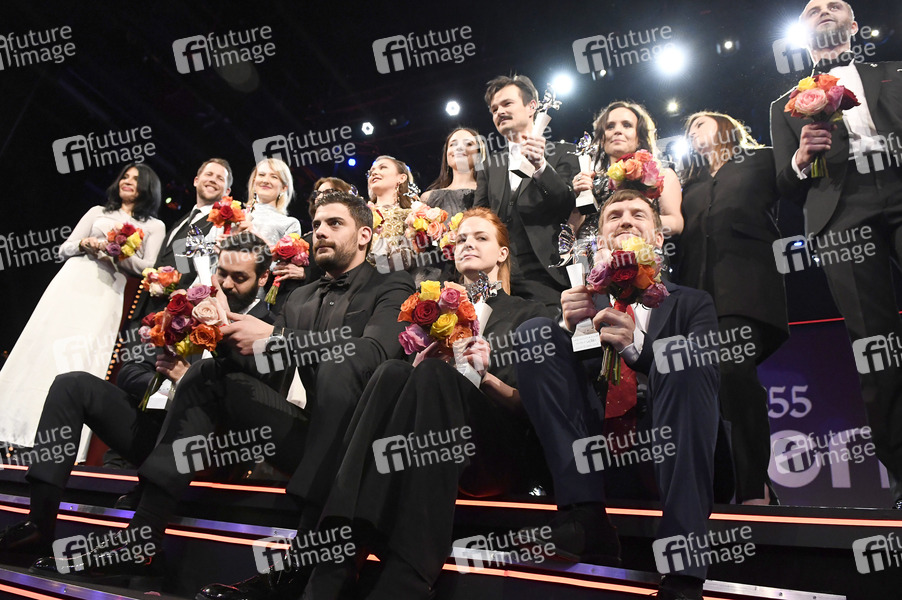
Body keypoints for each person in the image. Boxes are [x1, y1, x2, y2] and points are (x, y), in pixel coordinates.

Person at [31, 192, 415, 591]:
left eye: (334, 223)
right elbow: (270, 373)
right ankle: (141, 538)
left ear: (365, 235)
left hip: (355, 445)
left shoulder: (392, 284)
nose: (320, 231)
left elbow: (373, 353)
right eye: (316, 224)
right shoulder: (300, 297)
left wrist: (277, 337)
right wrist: (222, 334)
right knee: (206, 375)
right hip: (301, 435)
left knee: (334, 371)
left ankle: (302, 564)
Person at [291, 207, 551, 599]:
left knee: (432, 376)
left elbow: (528, 409)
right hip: (424, 439)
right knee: (393, 373)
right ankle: (337, 558)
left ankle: (407, 570)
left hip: (493, 451)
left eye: (480, 237)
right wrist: (418, 365)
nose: (467, 244)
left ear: (502, 253)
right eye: (461, 239)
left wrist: (484, 377)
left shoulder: (527, 313)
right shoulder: (430, 311)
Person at [0, 233, 274, 566]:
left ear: (263, 278)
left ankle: (142, 535)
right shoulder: (188, 309)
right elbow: (130, 371)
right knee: (71, 385)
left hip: (213, 450)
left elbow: (255, 403)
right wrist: (167, 384)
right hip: (155, 436)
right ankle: (39, 524)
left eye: (239, 278)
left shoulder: (270, 326)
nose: (227, 285)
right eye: (222, 274)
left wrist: (187, 379)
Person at [514, 189, 720, 600]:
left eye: (638, 214)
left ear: (658, 238)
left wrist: (639, 350)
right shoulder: (581, 304)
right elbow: (565, 396)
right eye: (614, 215)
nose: (625, 220)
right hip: (595, 454)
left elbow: (708, 379)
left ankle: (683, 568)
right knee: (534, 333)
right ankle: (585, 519)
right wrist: (567, 329)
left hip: (666, 448)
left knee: (685, 356)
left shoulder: (693, 303)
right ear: (600, 240)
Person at [769, 0, 902, 508]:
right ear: (800, 32)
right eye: (812, 8)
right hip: (841, 213)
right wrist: (802, 158)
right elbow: (785, 184)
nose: (823, 10)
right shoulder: (785, 105)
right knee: (875, 346)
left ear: (854, 24)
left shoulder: (895, 72)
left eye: (834, 4)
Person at [0, 164, 165, 458]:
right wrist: (86, 243)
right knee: (42, 348)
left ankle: (55, 442)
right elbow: (64, 249)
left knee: (81, 357)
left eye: (136, 179)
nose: (127, 181)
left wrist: (120, 252)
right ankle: (11, 431)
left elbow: (148, 266)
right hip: (73, 281)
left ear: (149, 188)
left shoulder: (154, 225)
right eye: (125, 176)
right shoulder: (97, 211)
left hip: (107, 292)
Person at [679, 111, 789, 504]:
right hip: (696, 298)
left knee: (732, 371)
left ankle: (752, 488)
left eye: (701, 123)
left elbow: (796, 179)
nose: (693, 131)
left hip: (745, 289)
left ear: (726, 127)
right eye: (689, 128)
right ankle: (737, 484)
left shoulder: (762, 160)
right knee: (713, 388)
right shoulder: (688, 185)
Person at [474, 74, 578, 312]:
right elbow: (480, 215)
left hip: (548, 273)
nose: (499, 112)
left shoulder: (565, 153)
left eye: (507, 104)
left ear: (532, 106)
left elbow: (568, 205)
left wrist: (541, 166)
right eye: (494, 109)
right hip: (500, 276)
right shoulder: (489, 165)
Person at [127, 158, 232, 329]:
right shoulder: (181, 220)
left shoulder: (222, 227)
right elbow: (177, 260)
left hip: (176, 319)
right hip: (145, 312)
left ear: (227, 191)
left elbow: (207, 270)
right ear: (196, 180)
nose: (213, 180)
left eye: (220, 178)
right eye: (209, 174)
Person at [568, 101, 683, 257]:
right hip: (591, 261)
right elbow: (571, 232)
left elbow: (675, 223)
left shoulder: (662, 175)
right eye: (610, 126)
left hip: (642, 260)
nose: (617, 131)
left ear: (639, 136)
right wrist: (580, 198)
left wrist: (633, 223)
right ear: (602, 138)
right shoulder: (590, 179)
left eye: (627, 125)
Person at [416, 128, 486, 283]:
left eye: (468, 144)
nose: (459, 148)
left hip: (477, 276)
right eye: (453, 144)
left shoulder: (489, 193)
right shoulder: (428, 198)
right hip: (434, 279)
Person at [366, 155, 416, 271]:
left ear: (402, 178)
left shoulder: (411, 216)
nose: (374, 173)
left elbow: (407, 262)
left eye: (383, 167)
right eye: (371, 172)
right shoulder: (358, 214)